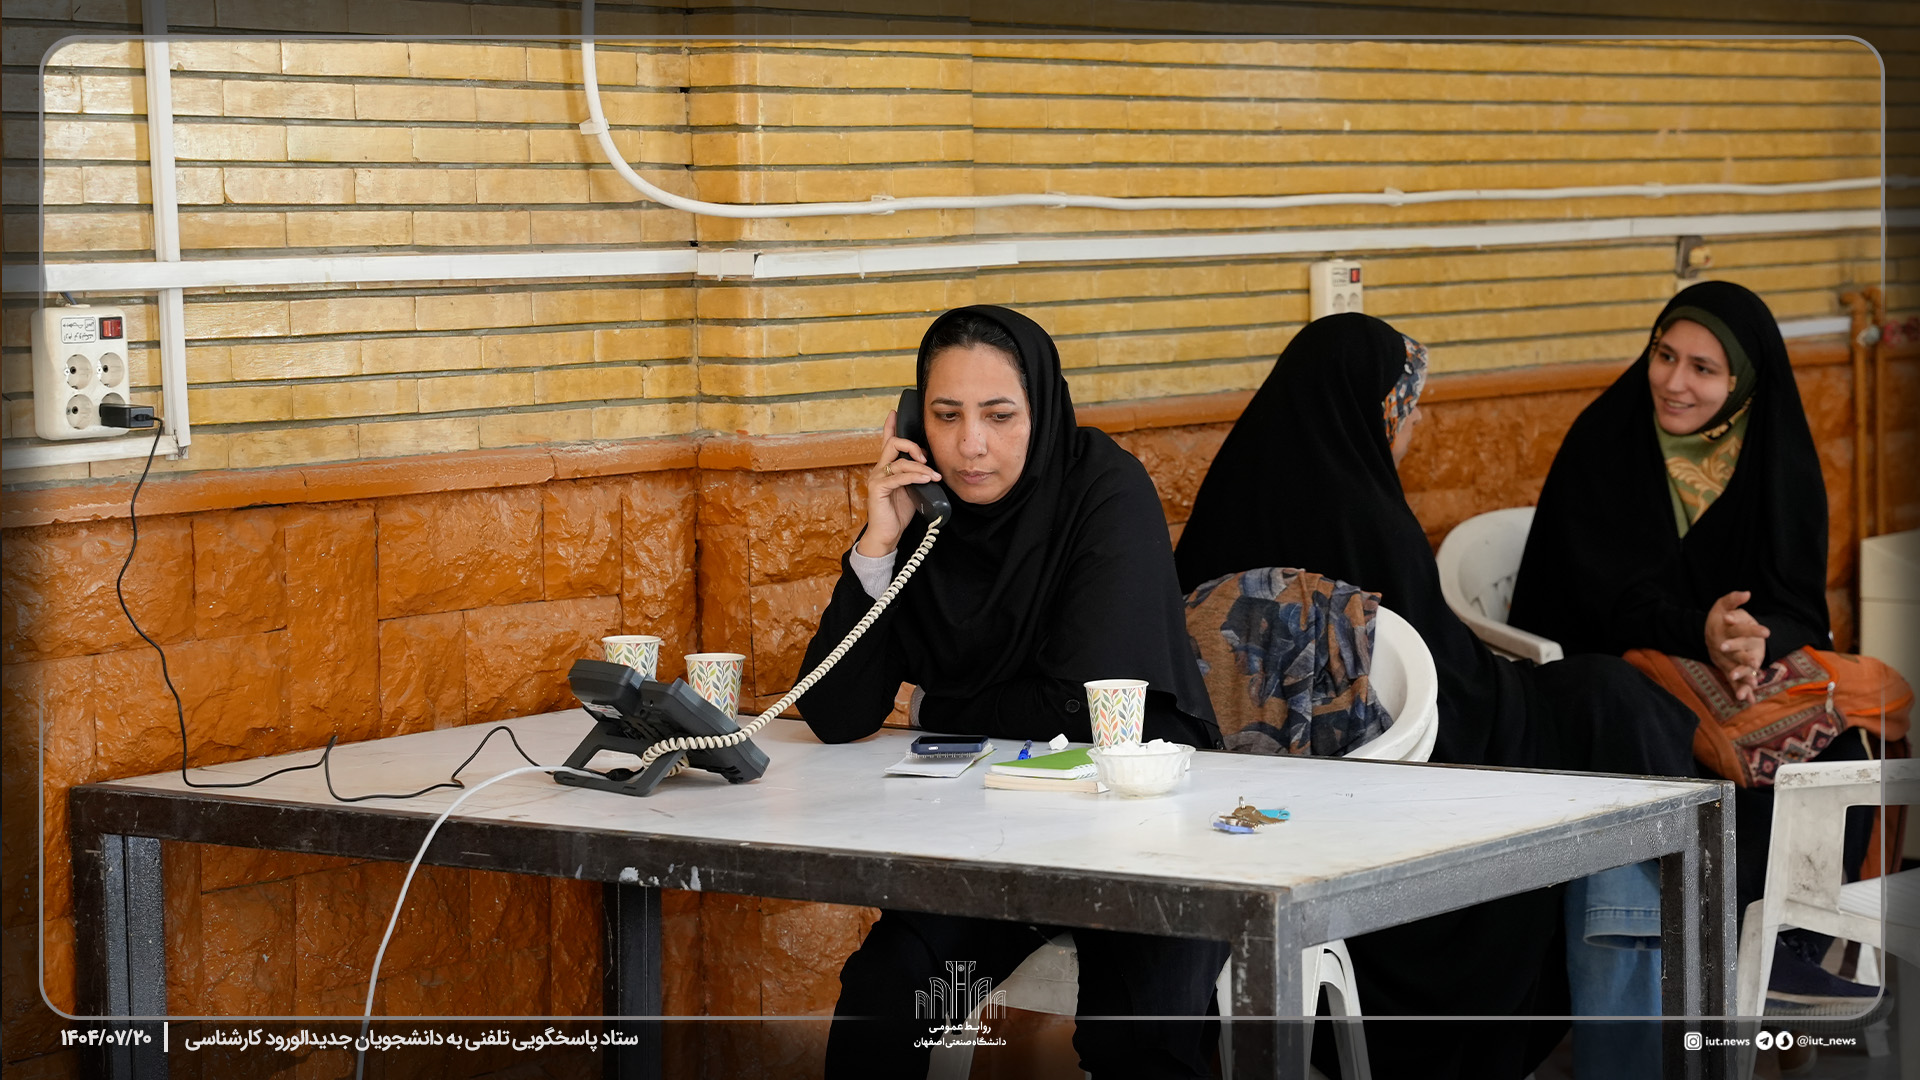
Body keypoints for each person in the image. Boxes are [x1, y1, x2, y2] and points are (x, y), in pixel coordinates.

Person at [1172, 312, 1701, 1080]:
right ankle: (1653, 1006)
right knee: (1611, 713)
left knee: (1606, 704)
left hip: (1243, 814)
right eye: (1409, 407)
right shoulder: (1364, 514)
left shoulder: (1229, 497)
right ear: (1375, 412)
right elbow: (1449, 695)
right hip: (1388, 804)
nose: (1415, 427)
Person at [795, 304, 1228, 1079]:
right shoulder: (928, 519)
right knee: (887, 994)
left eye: (999, 416)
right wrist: (878, 545)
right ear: (912, 423)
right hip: (996, 835)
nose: (971, 444)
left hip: (1143, 828)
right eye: (945, 416)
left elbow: (1078, 706)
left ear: (1043, 412)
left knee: (1140, 1036)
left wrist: (932, 707)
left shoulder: (1104, 491)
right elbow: (834, 713)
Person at [1509, 279, 1906, 1014]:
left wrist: (1751, 646)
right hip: (1615, 666)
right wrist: (1700, 633)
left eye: (1703, 368)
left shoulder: (1775, 456)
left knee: (1837, 744)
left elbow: (1796, 602)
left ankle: (1784, 942)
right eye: (1665, 356)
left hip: (1735, 673)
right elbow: (1592, 599)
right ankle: (1722, 944)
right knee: (1662, 735)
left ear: (1743, 382)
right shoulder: (1606, 440)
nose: (1674, 382)